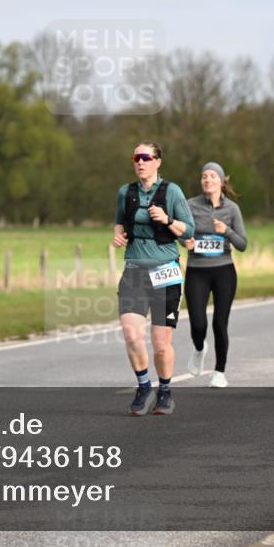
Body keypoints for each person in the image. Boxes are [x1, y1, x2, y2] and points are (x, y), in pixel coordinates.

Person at [112, 142, 195, 416]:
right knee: (131, 333)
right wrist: (118, 235)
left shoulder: (172, 191)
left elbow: (188, 230)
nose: (140, 162)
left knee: (161, 344)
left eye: (146, 157)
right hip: (134, 268)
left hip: (165, 270)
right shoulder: (126, 192)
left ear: (158, 161)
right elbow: (120, 222)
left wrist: (167, 219)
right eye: (136, 157)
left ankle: (166, 392)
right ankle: (144, 385)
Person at [182, 162, 247, 388]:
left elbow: (243, 244)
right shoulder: (189, 205)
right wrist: (186, 241)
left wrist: (226, 231)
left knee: (220, 323)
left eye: (212, 176)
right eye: (204, 176)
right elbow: (180, 231)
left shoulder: (232, 209)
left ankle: (219, 372)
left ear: (221, 181)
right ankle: (199, 348)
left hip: (223, 271)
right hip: (196, 271)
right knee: (198, 324)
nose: (207, 179)